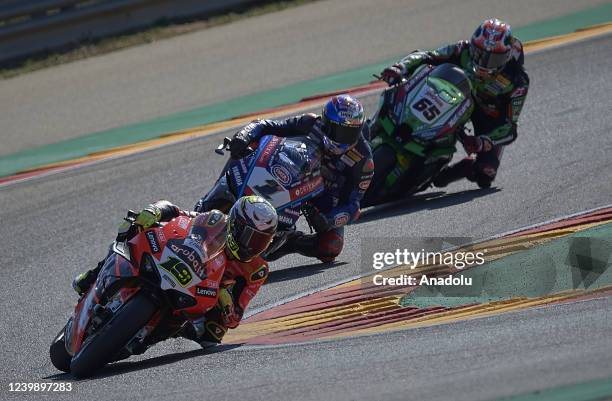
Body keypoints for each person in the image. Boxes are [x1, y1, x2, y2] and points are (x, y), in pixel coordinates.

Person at [72, 195, 278, 347]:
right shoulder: (217, 220)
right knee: (132, 230)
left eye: (261, 241)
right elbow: (180, 214)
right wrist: (155, 211)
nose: (253, 246)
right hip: (181, 267)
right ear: (236, 224)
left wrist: (226, 302)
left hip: (205, 298)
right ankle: (93, 276)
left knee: (212, 336)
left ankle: (152, 334)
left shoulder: (256, 270)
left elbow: (234, 320)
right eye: (251, 237)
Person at [380, 18, 529, 188]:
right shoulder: (461, 49)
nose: (483, 63)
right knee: (401, 93)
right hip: (452, 97)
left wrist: (485, 140)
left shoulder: (517, 81)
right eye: (479, 53)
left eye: (492, 59)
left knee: (486, 173)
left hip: (486, 116)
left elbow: (510, 128)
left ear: (507, 56)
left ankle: (454, 170)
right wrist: (400, 67)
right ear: (472, 46)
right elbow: (427, 56)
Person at [226, 94, 374, 263]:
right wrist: (244, 135)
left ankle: (290, 241)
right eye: (337, 130)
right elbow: (267, 125)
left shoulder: (363, 159)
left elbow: (353, 206)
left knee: (331, 247)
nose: (341, 137)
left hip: (323, 197)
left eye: (349, 132)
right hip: (291, 174)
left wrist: (330, 219)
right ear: (325, 123)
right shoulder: (311, 123)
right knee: (244, 147)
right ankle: (223, 189)